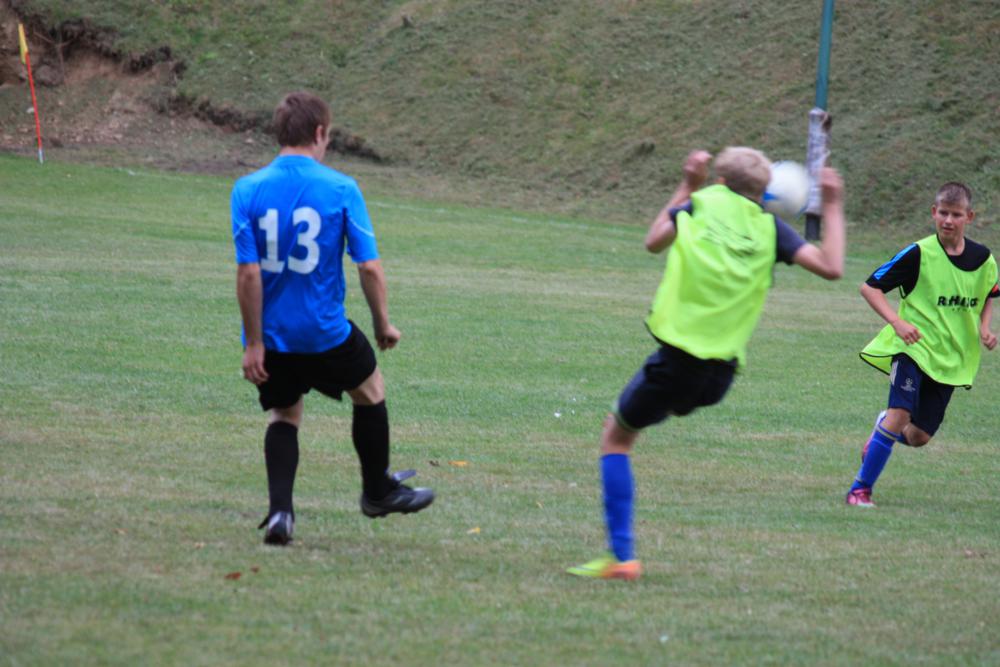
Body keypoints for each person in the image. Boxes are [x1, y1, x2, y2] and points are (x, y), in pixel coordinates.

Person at [568, 147, 846, 580]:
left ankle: (622, 558)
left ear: (720, 181)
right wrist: (831, 203)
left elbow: (653, 240)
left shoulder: (699, 204)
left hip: (677, 362)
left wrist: (687, 184)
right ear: (764, 192)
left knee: (616, 438)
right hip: (721, 376)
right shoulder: (772, 228)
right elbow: (831, 267)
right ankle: (620, 557)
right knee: (636, 423)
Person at [231, 91, 434, 545]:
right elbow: (369, 267)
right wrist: (383, 324)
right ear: (320, 133)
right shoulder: (342, 189)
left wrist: (253, 343)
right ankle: (377, 491)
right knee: (370, 389)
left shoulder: (246, 189)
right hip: (325, 333)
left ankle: (281, 514)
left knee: (284, 414)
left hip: (273, 338)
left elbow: (248, 274)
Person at [845, 182, 998, 507]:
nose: (948, 220)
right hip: (913, 349)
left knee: (918, 437)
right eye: (943, 213)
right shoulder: (918, 253)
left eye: (956, 214)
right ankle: (859, 490)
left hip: (950, 358)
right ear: (933, 212)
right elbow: (870, 288)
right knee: (899, 414)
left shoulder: (983, 258)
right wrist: (897, 322)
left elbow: (988, 293)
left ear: (969, 217)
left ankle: (882, 430)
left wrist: (985, 327)